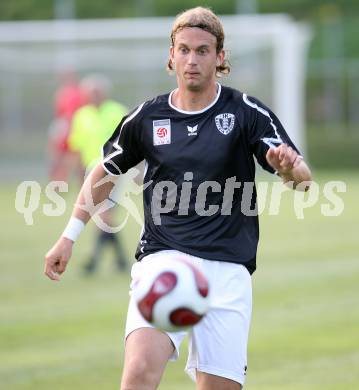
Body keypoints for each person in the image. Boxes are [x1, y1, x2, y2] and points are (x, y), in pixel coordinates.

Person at [44, 7, 312, 390]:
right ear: (171, 56)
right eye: (183, 50)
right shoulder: (147, 117)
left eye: (203, 51)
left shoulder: (246, 112)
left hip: (228, 269)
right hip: (165, 260)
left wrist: (287, 168)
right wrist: (68, 236)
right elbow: (104, 173)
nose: (192, 60)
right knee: (138, 372)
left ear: (220, 58)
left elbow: (302, 180)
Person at [68, 74, 129, 273]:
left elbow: (129, 144)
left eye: (97, 91)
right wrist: (78, 172)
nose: (93, 96)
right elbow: (77, 145)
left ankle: (93, 261)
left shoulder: (117, 112)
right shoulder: (81, 115)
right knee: (103, 215)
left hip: (113, 170)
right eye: (90, 92)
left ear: (104, 93)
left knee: (102, 213)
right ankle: (120, 260)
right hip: (90, 171)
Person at [47, 69, 86, 181]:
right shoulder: (61, 93)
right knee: (58, 162)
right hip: (64, 128)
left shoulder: (79, 92)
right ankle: (56, 189)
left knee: (78, 163)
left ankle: (83, 192)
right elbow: (59, 114)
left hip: (74, 129)